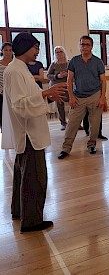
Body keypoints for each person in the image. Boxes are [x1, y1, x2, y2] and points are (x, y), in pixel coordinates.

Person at [1, 32, 67, 232]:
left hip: (28, 131)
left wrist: (45, 95)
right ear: (23, 48)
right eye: (35, 47)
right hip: (28, 133)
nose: (38, 51)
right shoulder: (14, 71)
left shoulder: (20, 69)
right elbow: (20, 104)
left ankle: (19, 211)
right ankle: (32, 221)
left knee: (24, 173)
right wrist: (46, 93)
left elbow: (29, 96)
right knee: (35, 177)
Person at [58, 35, 106, 159]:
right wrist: (71, 97)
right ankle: (66, 148)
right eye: (82, 44)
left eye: (87, 45)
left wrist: (102, 97)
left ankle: (91, 145)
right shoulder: (74, 61)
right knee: (72, 124)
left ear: (91, 47)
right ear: (79, 46)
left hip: (95, 95)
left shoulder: (98, 61)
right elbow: (69, 80)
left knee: (94, 124)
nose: (84, 47)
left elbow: (103, 81)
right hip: (78, 97)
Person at [47, 46, 70, 130]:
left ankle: (74, 122)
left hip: (68, 86)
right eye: (57, 52)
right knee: (60, 105)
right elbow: (48, 75)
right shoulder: (54, 64)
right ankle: (63, 123)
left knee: (73, 103)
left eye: (60, 51)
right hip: (57, 87)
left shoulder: (69, 63)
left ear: (64, 52)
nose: (59, 54)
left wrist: (68, 75)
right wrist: (58, 76)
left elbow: (75, 73)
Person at [0, 42, 13, 132]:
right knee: (2, 115)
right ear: (2, 51)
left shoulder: (15, 63)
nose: (8, 52)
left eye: (10, 50)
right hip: (1, 93)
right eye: (6, 50)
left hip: (13, 92)